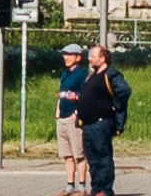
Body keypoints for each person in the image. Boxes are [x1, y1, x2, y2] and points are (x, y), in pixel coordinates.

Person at [80, 38, 130, 196]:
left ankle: (106, 190)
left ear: (102, 58)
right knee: (93, 160)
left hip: (101, 124)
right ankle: (96, 189)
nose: (90, 58)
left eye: (93, 55)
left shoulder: (111, 74)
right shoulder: (92, 75)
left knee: (103, 158)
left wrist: (114, 106)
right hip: (88, 124)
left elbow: (124, 91)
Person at [55, 44, 88, 194]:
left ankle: (81, 185)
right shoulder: (65, 74)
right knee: (66, 154)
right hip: (62, 117)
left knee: (79, 154)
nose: (65, 57)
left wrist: (77, 111)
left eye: (69, 54)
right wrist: (57, 110)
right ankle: (69, 184)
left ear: (78, 57)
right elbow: (62, 92)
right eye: (64, 54)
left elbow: (86, 95)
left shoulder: (82, 74)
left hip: (73, 118)